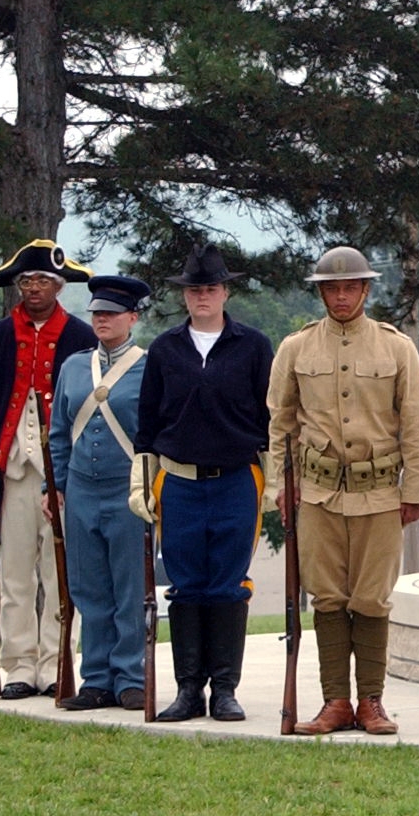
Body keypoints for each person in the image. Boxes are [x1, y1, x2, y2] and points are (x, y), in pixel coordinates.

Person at [268, 246, 419, 735]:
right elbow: (279, 422)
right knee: (327, 597)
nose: (340, 297)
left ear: (365, 289)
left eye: (350, 287)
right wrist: (278, 484)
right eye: (331, 288)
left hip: (380, 493)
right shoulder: (295, 348)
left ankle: (372, 702)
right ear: (320, 291)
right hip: (317, 494)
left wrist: (415, 489)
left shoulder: (396, 348)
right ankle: (335, 702)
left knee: (372, 599)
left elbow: (415, 425)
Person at [130, 243, 274, 722]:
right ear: (184, 297)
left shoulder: (253, 346)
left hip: (237, 480)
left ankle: (226, 689)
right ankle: (188, 688)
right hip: (179, 482)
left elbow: (271, 416)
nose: (202, 297)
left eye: (210, 288)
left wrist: (273, 481)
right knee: (187, 584)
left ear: (225, 292)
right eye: (194, 290)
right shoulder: (166, 349)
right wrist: (141, 480)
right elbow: (147, 423)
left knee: (229, 583)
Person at [0, 239, 97, 699]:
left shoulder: (82, 338)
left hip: (62, 472)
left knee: (59, 572)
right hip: (14, 470)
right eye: (27, 281)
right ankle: (18, 665)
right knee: (15, 574)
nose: (34, 288)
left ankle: (56, 660)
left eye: (42, 280)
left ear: (58, 287)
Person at [47, 273, 152, 711]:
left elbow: (154, 433)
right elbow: (57, 433)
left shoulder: (150, 366)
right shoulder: (73, 367)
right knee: (88, 587)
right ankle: (96, 679)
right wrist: (53, 486)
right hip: (80, 490)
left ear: (132, 317)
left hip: (126, 488)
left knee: (129, 587)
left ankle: (131, 677)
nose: (102, 319)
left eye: (111, 313)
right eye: (97, 313)